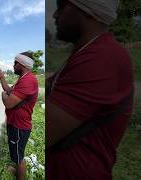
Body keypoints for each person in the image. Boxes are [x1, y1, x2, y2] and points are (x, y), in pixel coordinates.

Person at [47, 0, 134, 179]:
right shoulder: (88, 51)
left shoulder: (101, 58)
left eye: (62, 7)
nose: (55, 15)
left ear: (87, 11)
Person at [0, 51, 38, 180]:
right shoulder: (22, 79)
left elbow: (8, 102)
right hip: (14, 123)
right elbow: (9, 91)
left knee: (19, 157)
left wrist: (3, 96)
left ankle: (20, 175)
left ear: (22, 64)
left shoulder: (29, 80)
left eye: (15, 63)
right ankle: (17, 169)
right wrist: (2, 77)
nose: (13, 66)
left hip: (19, 127)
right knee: (16, 153)